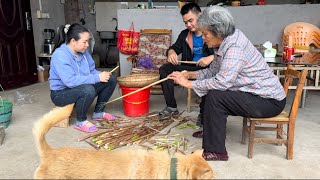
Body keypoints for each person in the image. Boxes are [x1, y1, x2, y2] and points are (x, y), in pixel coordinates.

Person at [168, 6, 286, 161]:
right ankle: (211, 132)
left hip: (268, 101)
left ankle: (217, 151)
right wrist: (190, 75)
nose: (203, 38)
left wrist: (189, 84)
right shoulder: (223, 43)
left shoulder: (234, 47)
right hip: (254, 94)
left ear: (218, 31)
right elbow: (213, 72)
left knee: (216, 96)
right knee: (211, 89)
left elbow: (222, 82)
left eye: (205, 34)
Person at [49, 23, 117, 133]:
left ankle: (98, 112)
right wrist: (97, 78)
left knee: (110, 79)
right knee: (88, 89)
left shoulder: (83, 52)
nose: (87, 45)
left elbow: (92, 71)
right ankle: (81, 121)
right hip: (60, 93)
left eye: (88, 41)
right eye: (84, 42)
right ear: (73, 41)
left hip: (80, 88)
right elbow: (70, 81)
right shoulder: (60, 55)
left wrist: (101, 75)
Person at [159, 2, 214, 123]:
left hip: (206, 68)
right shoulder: (185, 34)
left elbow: (223, 53)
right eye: (185, 22)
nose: (188, 25)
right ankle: (172, 107)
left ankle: (204, 113)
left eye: (191, 20)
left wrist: (210, 57)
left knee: (211, 74)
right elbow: (174, 47)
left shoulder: (211, 32)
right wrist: (171, 53)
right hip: (188, 67)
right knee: (164, 69)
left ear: (200, 15)